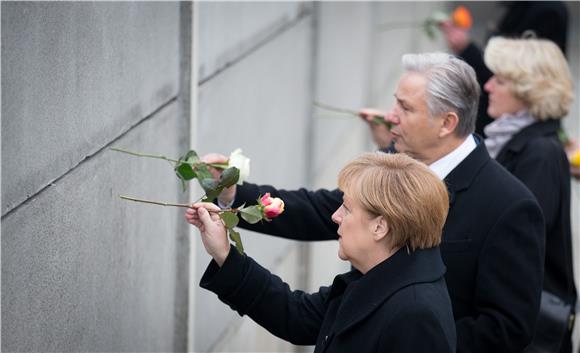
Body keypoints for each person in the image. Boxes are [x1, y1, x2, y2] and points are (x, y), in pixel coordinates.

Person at [205, 52, 545, 353]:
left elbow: (508, 328)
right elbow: (321, 212)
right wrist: (233, 196)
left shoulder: (510, 205)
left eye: (405, 108)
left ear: (447, 123)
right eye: (395, 102)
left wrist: (409, 336)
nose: (391, 115)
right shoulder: (394, 164)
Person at [186, 153, 456, 353]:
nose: (335, 216)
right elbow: (297, 316)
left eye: (347, 208)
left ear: (380, 226)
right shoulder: (381, 276)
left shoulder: (416, 316)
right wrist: (224, 253)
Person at [483, 36, 576, 353]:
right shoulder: (518, 140)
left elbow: (517, 241)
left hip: (527, 326)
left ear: (528, 90)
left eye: (500, 80)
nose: (488, 87)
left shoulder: (539, 153)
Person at [440, 1, 569, 136]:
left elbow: (524, 76)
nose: (489, 86)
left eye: (499, 81)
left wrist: (467, 49)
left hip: (521, 124)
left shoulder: (546, 10)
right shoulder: (517, 6)